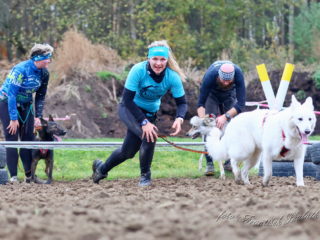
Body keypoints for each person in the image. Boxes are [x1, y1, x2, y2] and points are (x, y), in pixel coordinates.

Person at [92, 40, 187, 186]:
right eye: (155, 59)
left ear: (167, 60)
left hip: (150, 113)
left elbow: (182, 103)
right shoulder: (138, 70)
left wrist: (179, 118)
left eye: (162, 59)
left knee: (128, 152)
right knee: (148, 135)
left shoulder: (172, 76)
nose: (158, 63)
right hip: (130, 109)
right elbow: (127, 100)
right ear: (148, 58)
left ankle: (101, 169)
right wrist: (144, 123)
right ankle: (145, 177)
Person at [0, 43, 54, 183]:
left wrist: (38, 117)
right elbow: (11, 94)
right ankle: (13, 177)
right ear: (38, 58)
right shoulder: (21, 69)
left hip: (26, 104)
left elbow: (41, 96)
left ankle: (29, 176)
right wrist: (13, 118)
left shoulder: (44, 73)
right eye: (48, 58)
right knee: (12, 139)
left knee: (28, 140)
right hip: (7, 102)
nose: (49, 61)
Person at [197, 60, 246, 176]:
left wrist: (226, 116)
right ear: (218, 76)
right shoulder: (210, 76)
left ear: (233, 78)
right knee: (208, 128)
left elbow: (241, 104)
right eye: (223, 80)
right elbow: (200, 105)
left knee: (232, 126)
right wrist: (204, 120)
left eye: (229, 81)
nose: (225, 83)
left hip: (230, 95)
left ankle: (229, 161)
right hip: (211, 95)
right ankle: (209, 164)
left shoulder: (238, 75)